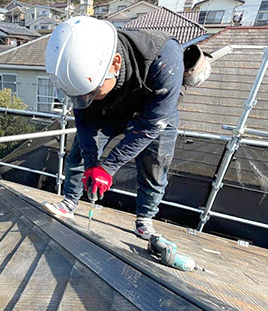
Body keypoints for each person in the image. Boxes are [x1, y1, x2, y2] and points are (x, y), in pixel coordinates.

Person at [42, 16, 184, 240]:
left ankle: (145, 219)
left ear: (116, 63)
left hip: (154, 114)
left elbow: (149, 126)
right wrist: (92, 165)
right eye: (81, 95)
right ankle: (69, 202)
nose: (85, 99)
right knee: (81, 152)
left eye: (91, 92)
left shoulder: (165, 58)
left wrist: (107, 168)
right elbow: (85, 123)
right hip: (110, 106)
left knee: (155, 163)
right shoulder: (85, 84)